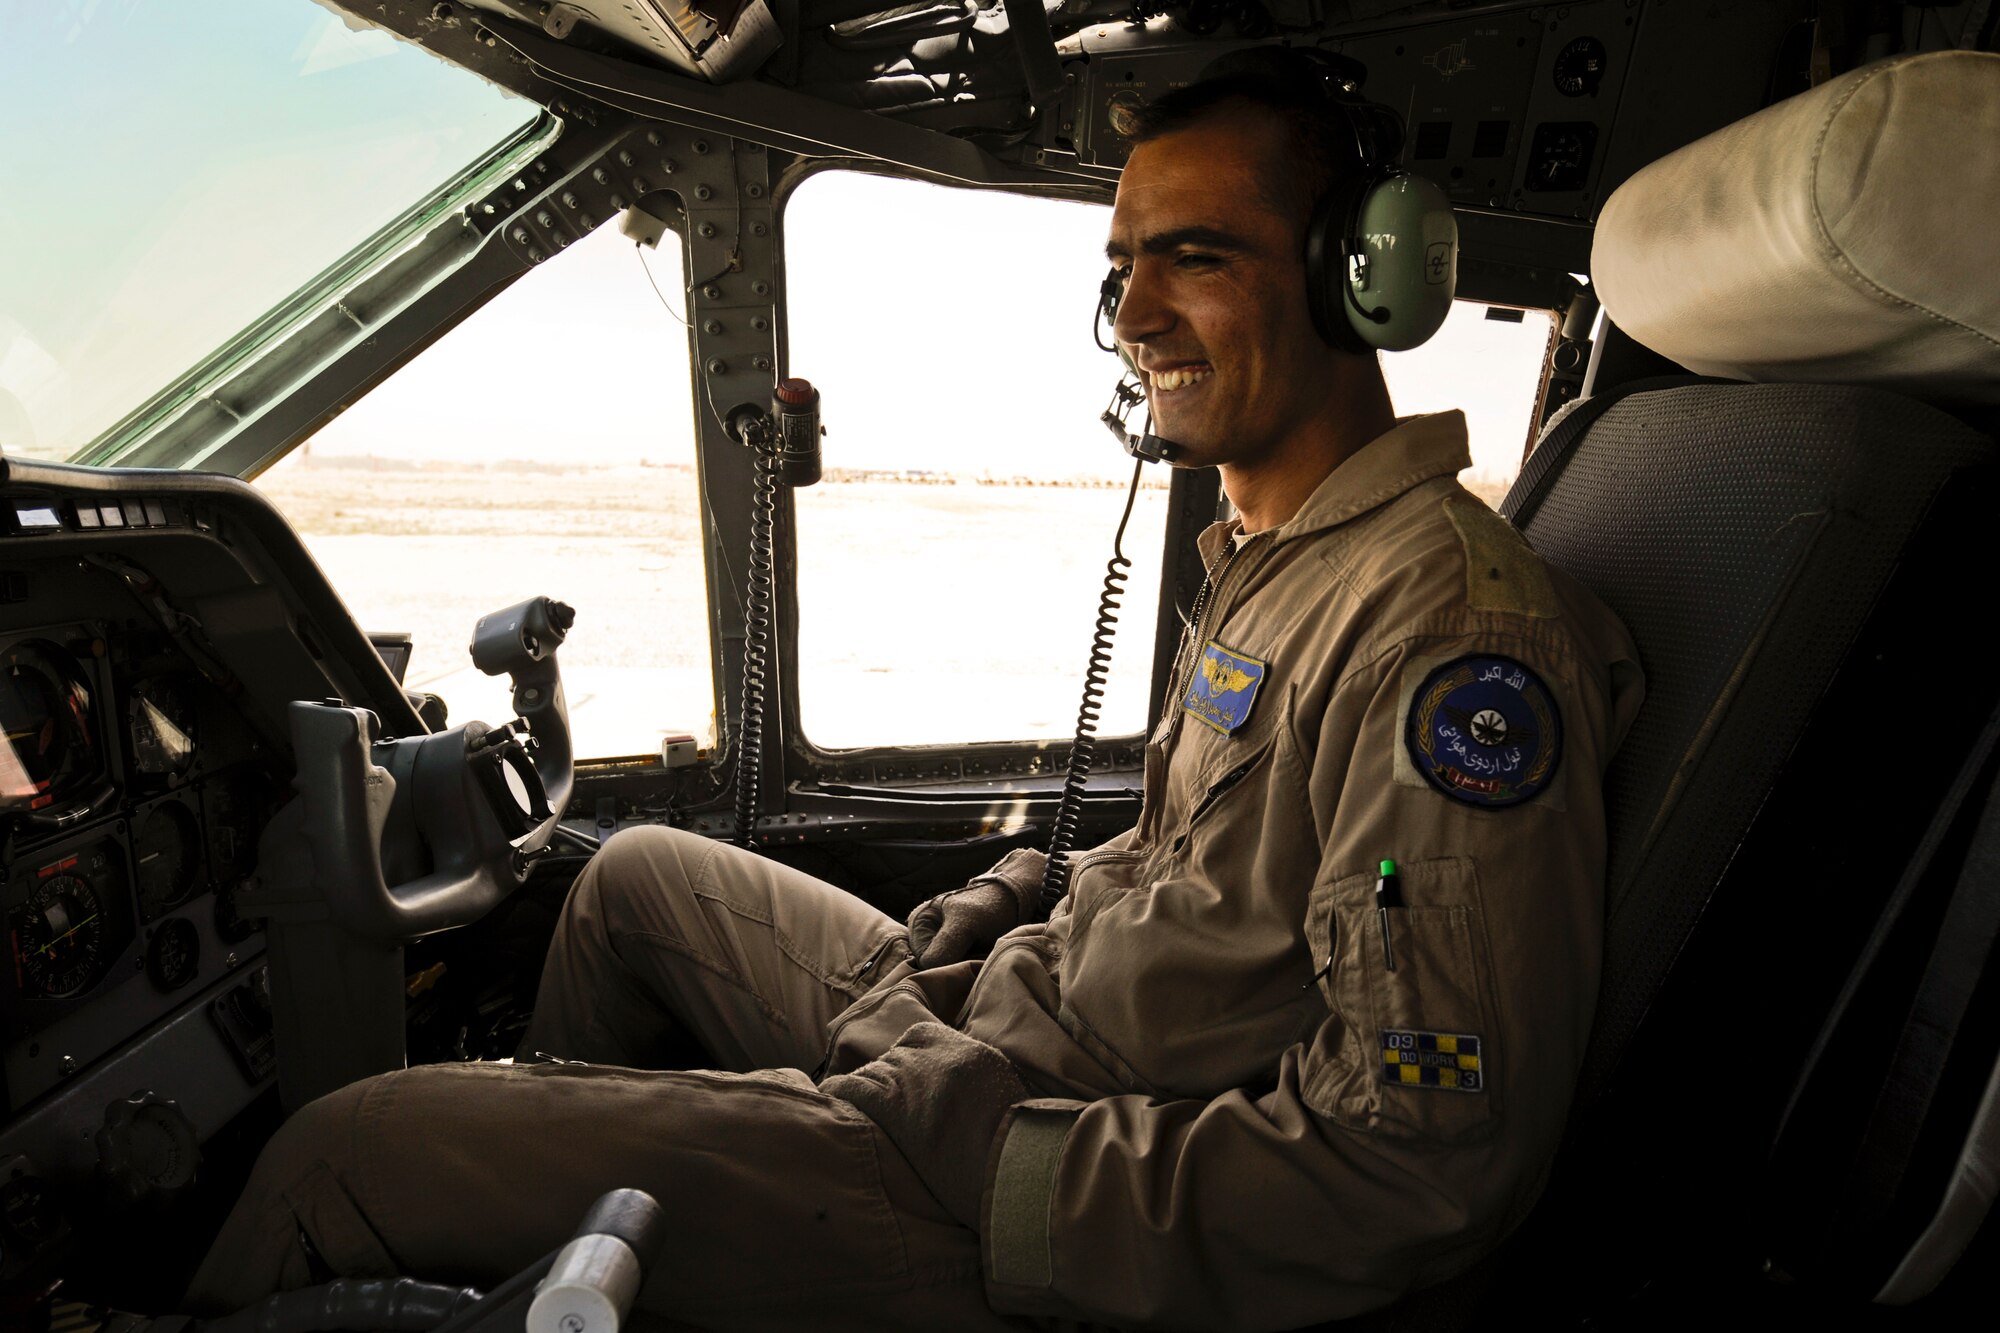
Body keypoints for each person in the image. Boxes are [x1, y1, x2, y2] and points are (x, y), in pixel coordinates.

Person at [187, 52, 1642, 1332]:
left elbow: (1424, 1154)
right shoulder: (1285, 558)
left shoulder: (1446, 636)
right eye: (1120, 265)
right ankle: (598, 1244)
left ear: (1354, 278)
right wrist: (1009, 893)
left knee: (340, 1156)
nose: (1131, 313)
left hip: (1033, 1192)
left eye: (1194, 256)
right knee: (633, 878)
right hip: (990, 1033)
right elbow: (1196, 859)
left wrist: (999, 1165)